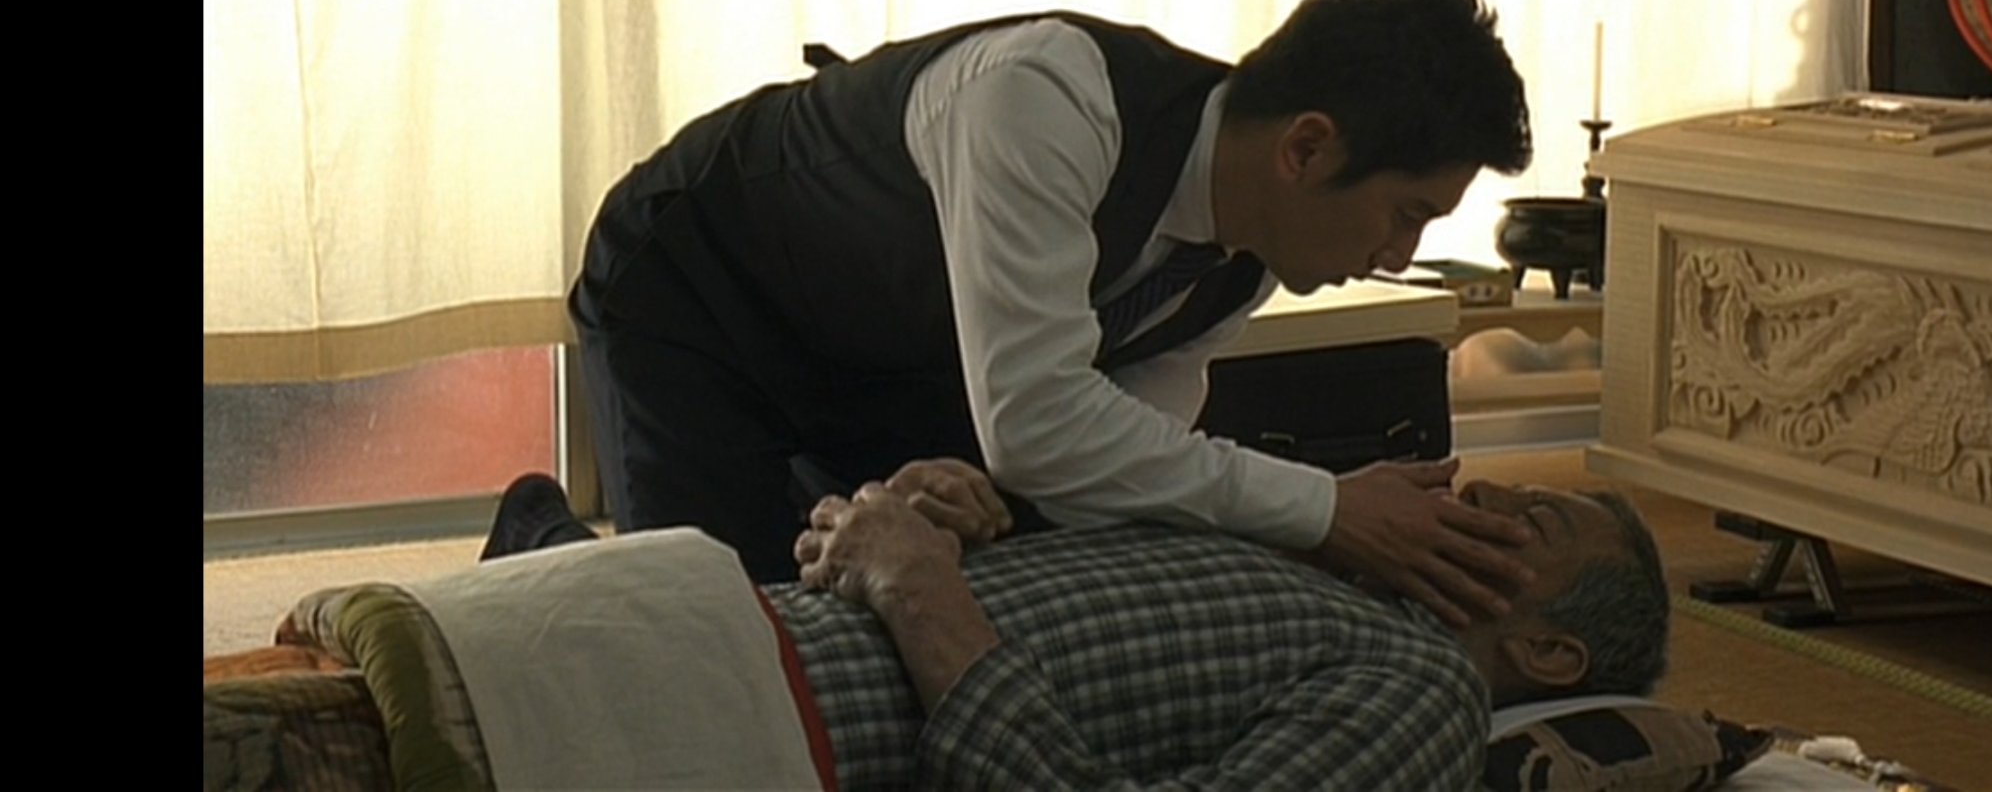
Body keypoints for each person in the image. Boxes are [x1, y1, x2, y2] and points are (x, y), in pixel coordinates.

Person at [570, 0, 1539, 624]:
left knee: (879, 606)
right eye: (1406, 213)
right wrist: (1328, 506)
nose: (1398, 253)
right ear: (1306, 147)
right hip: (700, 292)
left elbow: (1101, 462)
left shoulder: (1242, 257)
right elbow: (1038, 423)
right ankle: (543, 538)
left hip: (889, 354)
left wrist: (976, 497)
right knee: (714, 629)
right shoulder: (1045, 96)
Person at [479, 463, 1671, 790]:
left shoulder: (1425, 692)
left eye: (1532, 520)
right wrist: (950, 516)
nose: (1481, 490)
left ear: (1550, 651)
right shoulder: (1317, 572)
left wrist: (924, 593)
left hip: (758, 721)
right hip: (733, 627)